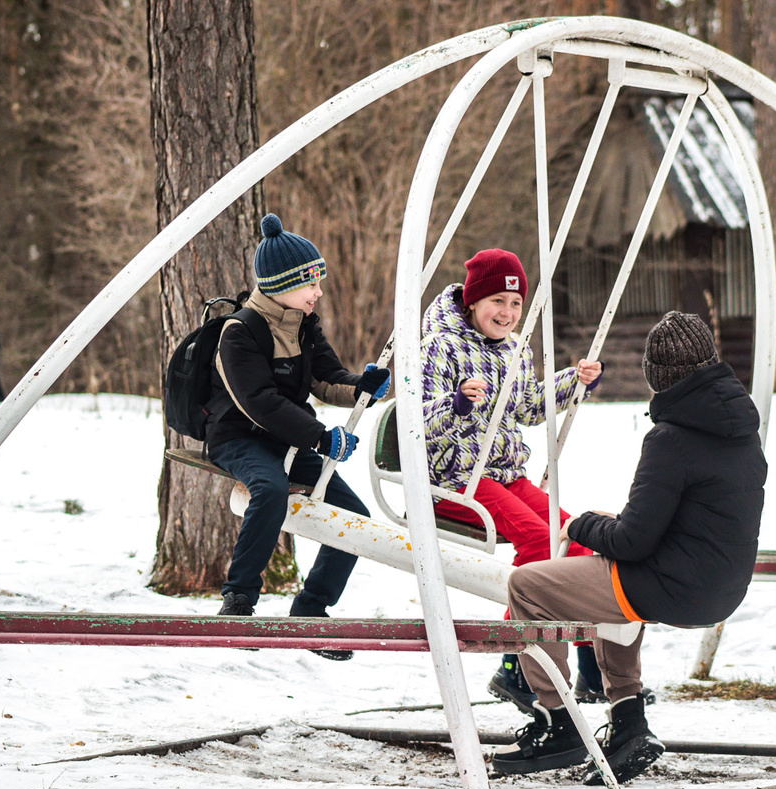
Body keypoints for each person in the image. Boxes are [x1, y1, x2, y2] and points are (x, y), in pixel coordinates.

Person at [490, 311, 767, 784]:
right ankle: (629, 724)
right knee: (609, 585)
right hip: (723, 589)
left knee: (527, 585)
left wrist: (579, 524)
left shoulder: (670, 439)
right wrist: (607, 528)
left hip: (671, 586)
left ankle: (557, 722)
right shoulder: (742, 432)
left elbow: (632, 541)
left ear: (659, 378)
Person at [418, 248, 605, 708]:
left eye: (515, 304)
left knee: (579, 541)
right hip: (455, 476)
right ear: (474, 301)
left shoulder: (515, 350)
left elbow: (526, 407)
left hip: (504, 473)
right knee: (542, 545)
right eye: (497, 302)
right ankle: (513, 664)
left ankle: (591, 668)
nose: (507, 313)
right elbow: (415, 423)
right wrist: (457, 404)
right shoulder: (439, 345)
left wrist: (574, 382)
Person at [206, 213, 390, 663]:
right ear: (281, 284)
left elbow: (326, 379)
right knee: (268, 490)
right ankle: (238, 601)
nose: (318, 292)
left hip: (289, 438)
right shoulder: (239, 333)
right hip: (240, 437)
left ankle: (310, 610)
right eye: (311, 283)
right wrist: (320, 438)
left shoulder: (306, 324)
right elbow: (260, 403)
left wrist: (361, 387)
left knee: (354, 517)